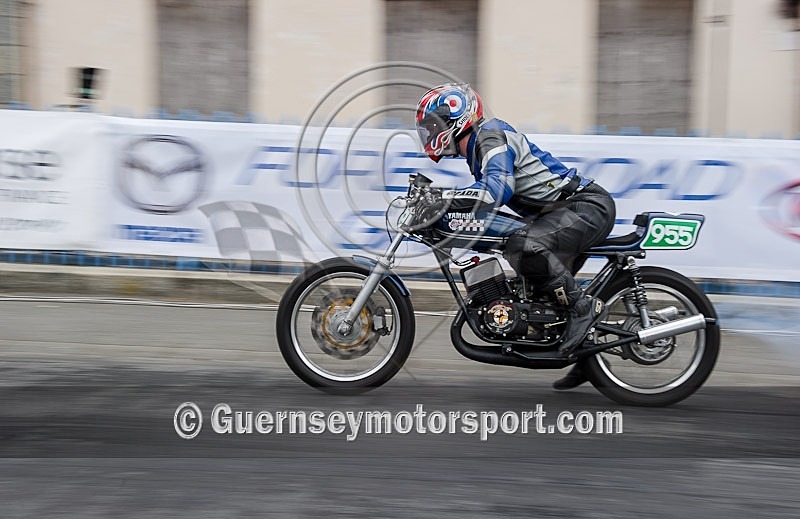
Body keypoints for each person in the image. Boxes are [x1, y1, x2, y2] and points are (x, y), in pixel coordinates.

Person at [414, 83, 616, 390]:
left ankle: (582, 308)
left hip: (585, 207)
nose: (430, 133)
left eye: (433, 125)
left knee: (522, 244)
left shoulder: (490, 136)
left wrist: (445, 199)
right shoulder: (478, 147)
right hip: (560, 213)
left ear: (455, 119)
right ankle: (588, 359)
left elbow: (497, 190)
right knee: (538, 290)